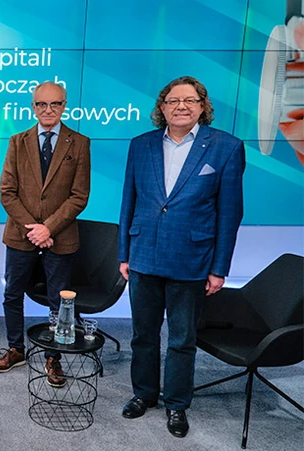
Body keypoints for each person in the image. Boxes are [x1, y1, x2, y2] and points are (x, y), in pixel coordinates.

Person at [118, 76, 245, 438]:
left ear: (203, 107)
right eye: (173, 101)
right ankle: (144, 394)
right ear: (162, 107)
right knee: (143, 334)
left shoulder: (226, 147)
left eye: (190, 100)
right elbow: (129, 203)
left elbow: (229, 214)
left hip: (192, 259)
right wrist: (124, 253)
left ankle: (176, 404)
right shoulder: (140, 145)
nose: (181, 106)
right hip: (143, 255)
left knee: (181, 338)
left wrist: (219, 268)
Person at [0, 81, 91, 388]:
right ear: (33, 107)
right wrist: (34, 229)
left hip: (60, 235)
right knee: (12, 294)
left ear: (64, 106)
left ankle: (53, 357)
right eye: (41, 104)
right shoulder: (17, 141)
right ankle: (16, 349)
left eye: (55, 104)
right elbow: (7, 192)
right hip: (21, 233)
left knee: (58, 301)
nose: (48, 110)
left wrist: (48, 228)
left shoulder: (80, 143)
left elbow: (79, 195)